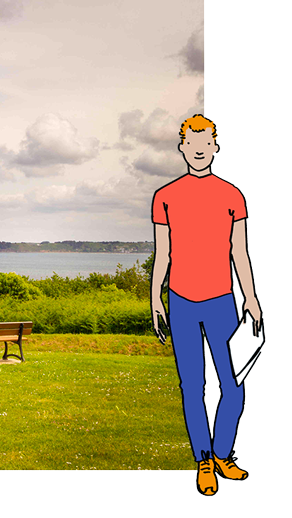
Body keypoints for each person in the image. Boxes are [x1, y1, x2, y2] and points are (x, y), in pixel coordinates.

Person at [150, 114, 262, 496]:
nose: (200, 151)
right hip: (181, 302)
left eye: (206, 144)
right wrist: (155, 300)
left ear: (215, 146)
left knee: (232, 385)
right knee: (192, 385)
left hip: (222, 303)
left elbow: (240, 254)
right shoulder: (164, 196)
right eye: (192, 145)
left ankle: (222, 454)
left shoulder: (233, 195)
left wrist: (252, 297)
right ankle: (203, 462)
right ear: (183, 148)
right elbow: (161, 254)